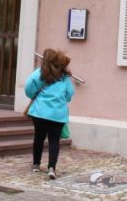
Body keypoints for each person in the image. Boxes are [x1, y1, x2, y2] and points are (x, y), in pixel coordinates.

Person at [24, 48, 75, 180]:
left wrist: (35, 96)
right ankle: (51, 168)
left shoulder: (39, 73)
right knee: (54, 141)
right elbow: (70, 93)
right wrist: (61, 100)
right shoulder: (64, 77)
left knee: (39, 138)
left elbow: (28, 88)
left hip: (39, 112)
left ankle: (36, 165)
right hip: (58, 114)